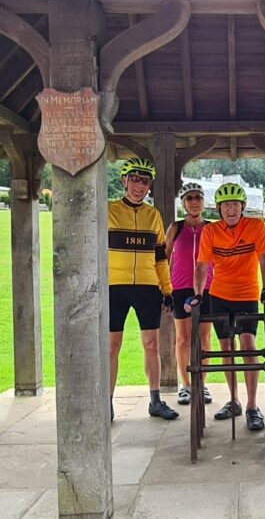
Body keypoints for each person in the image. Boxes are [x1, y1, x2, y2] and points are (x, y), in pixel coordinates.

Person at [185, 183, 265, 432]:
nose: (231, 209)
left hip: (247, 294)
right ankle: (234, 399)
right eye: (226, 205)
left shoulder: (256, 226)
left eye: (235, 204)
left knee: (248, 346)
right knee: (226, 347)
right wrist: (198, 294)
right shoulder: (211, 231)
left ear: (243, 207)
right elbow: (202, 265)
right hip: (220, 295)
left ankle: (252, 405)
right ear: (219, 209)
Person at [108, 157, 178, 421]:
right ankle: (106, 402)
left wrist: (167, 290)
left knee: (152, 345)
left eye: (145, 181)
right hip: (114, 286)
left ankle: (155, 401)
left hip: (148, 287)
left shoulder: (153, 215)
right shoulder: (109, 211)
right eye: (135, 180)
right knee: (112, 346)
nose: (139, 186)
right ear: (124, 181)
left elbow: (160, 257)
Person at [166, 182, 214, 406]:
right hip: (181, 288)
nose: (194, 202)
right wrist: (164, 288)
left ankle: (201, 384)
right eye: (190, 198)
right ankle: (186, 385)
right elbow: (165, 258)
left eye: (198, 197)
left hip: (208, 288)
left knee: (204, 338)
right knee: (183, 338)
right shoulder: (176, 228)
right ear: (184, 203)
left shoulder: (212, 228)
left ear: (204, 202)